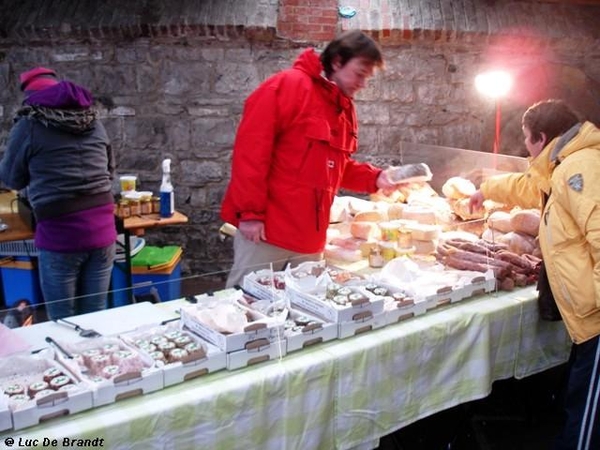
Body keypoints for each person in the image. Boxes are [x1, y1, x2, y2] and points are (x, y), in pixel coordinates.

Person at [220, 30, 398, 288]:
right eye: (360, 74)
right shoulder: (286, 86)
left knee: (304, 315)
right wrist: (250, 213)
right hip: (267, 233)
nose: (363, 83)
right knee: (246, 308)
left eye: (367, 78)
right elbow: (251, 153)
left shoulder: (344, 108)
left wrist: (376, 178)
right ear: (337, 61)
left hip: (310, 240)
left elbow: (336, 168)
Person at [469, 99, 600, 449]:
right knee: (577, 397)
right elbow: (527, 186)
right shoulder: (560, 165)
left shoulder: (580, 171)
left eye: (527, 139)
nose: (524, 147)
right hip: (585, 318)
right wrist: (486, 190)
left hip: (597, 321)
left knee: (587, 415)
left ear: (541, 138)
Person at [0, 67, 117, 320]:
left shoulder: (29, 125)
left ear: (30, 97)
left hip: (60, 235)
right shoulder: (93, 122)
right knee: (95, 317)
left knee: (63, 320)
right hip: (103, 231)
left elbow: (10, 178)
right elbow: (109, 171)